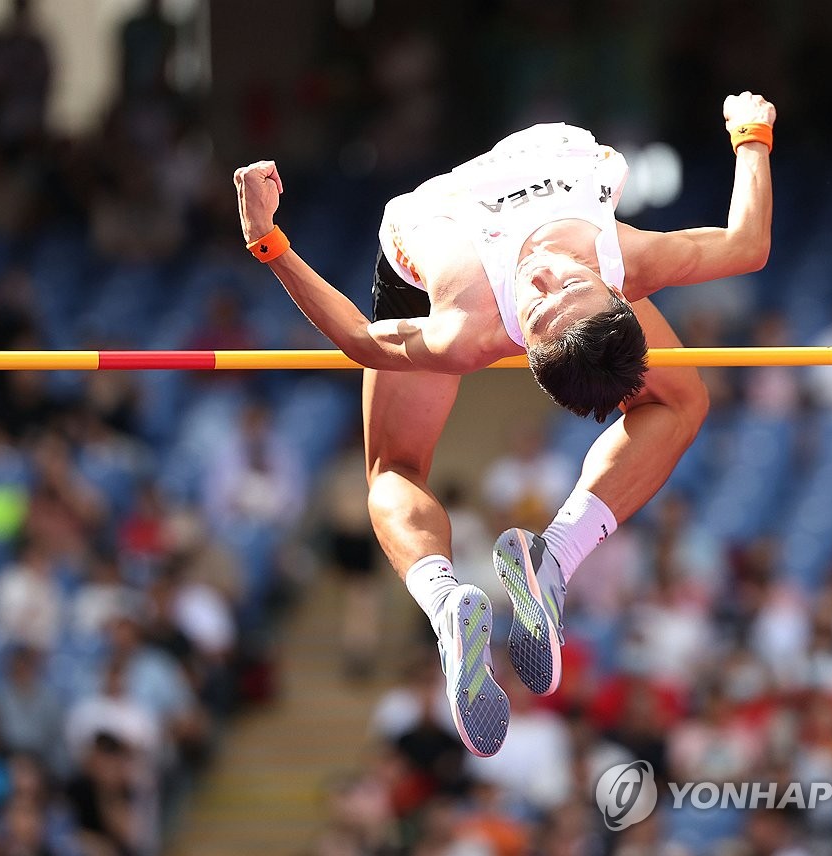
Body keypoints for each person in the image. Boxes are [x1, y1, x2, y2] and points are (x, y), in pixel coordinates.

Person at [234, 92, 775, 756]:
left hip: (440, 255)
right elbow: (747, 244)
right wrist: (751, 130)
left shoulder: (475, 325)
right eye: (564, 288)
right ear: (619, 295)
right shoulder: (616, 260)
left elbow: (358, 339)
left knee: (394, 472)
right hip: (485, 234)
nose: (547, 276)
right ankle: (544, 564)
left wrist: (269, 241)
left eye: (547, 300)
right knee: (681, 396)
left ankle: (446, 601)